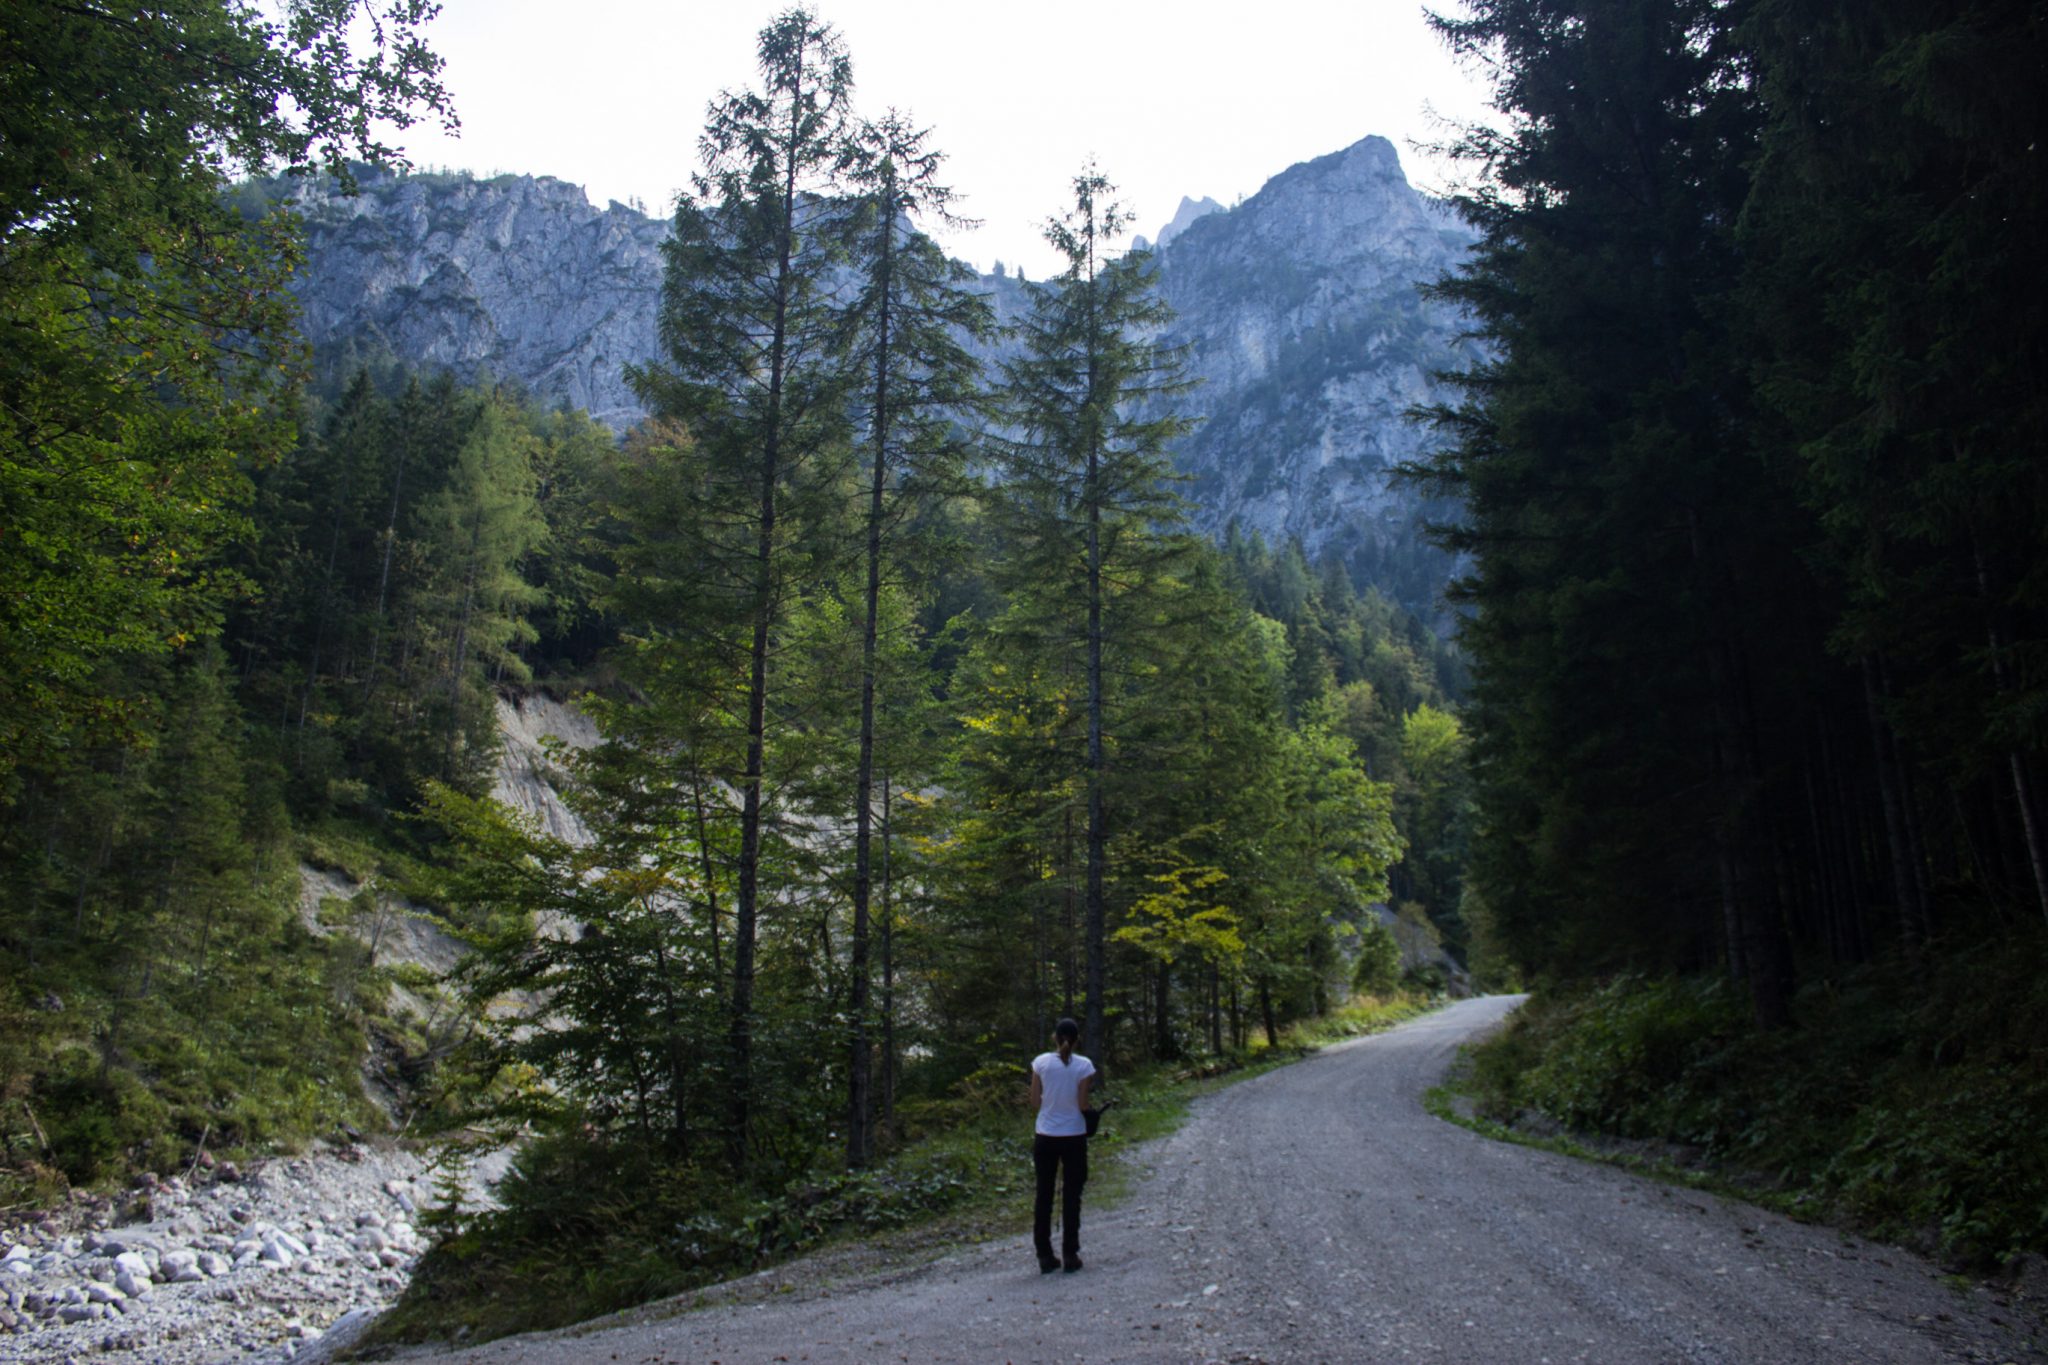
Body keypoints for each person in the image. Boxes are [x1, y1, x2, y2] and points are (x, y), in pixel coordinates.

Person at [1028, 1017, 1095, 1273]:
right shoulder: (1084, 1066)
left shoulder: (1041, 1063)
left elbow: (1035, 1102)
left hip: (1045, 1135)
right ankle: (1070, 1253)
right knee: (1072, 1195)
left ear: (1055, 1038)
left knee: (1043, 1194)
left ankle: (1044, 1255)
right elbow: (1082, 1104)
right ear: (1077, 1040)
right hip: (1073, 1136)